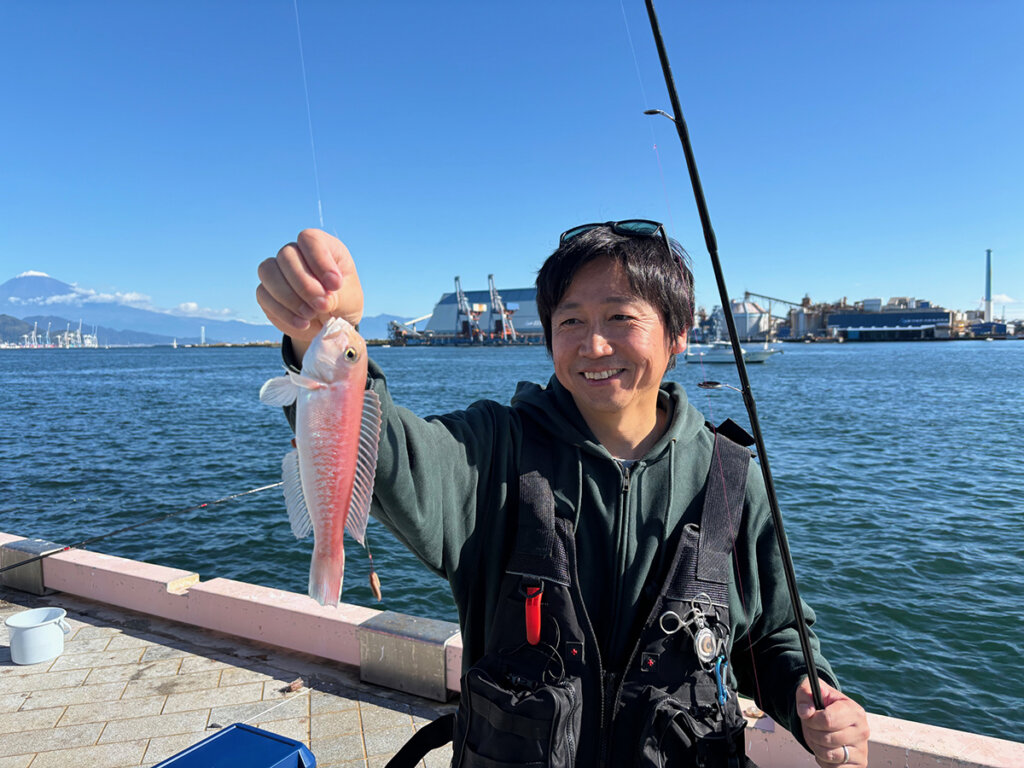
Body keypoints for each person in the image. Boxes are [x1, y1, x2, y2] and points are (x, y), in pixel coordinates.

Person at [257, 224, 870, 767]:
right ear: (548, 335)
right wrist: (316, 335)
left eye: (621, 318)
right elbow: (390, 457)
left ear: (678, 334)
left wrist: (814, 704)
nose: (593, 345)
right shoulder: (494, 448)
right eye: (570, 320)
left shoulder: (732, 478)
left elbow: (773, 635)